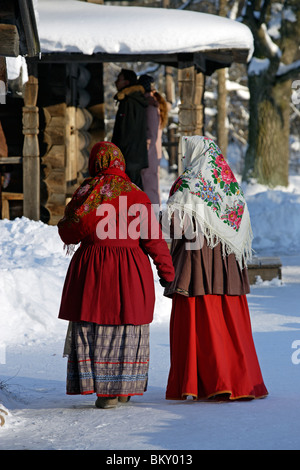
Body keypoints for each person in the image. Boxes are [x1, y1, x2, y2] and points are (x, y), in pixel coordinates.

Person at [57, 141, 175, 409]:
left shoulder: (88, 193)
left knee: (96, 324)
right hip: (131, 269)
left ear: (96, 163)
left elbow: (69, 232)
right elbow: (154, 240)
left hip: (94, 269)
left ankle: (105, 392)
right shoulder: (137, 194)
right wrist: (167, 274)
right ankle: (123, 389)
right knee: (127, 326)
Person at [161, 135, 268, 401]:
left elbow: (174, 225)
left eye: (187, 154)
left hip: (196, 264)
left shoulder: (188, 183)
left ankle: (204, 381)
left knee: (199, 321)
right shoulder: (231, 188)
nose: (184, 159)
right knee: (229, 322)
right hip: (228, 265)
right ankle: (240, 380)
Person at [111, 69, 148, 189]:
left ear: (126, 83)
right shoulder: (134, 100)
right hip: (134, 156)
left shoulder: (129, 101)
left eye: (119, 79)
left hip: (128, 157)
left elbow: (126, 131)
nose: (115, 82)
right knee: (135, 193)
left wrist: (118, 155)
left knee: (129, 194)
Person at [137, 74, 168, 209]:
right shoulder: (154, 105)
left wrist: (144, 152)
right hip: (153, 153)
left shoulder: (150, 107)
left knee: (150, 188)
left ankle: (153, 218)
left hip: (150, 154)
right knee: (151, 186)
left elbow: (151, 134)